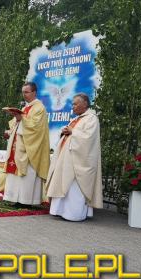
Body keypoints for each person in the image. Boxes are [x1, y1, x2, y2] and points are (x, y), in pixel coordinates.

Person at [46, 93, 103, 221]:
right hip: (67, 159)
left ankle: (74, 214)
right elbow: (69, 135)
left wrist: (73, 131)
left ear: (85, 104)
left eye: (75, 104)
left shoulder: (91, 119)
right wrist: (64, 132)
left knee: (74, 189)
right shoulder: (76, 119)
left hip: (78, 162)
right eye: (72, 104)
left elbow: (89, 138)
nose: (73, 107)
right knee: (63, 184)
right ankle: (60, 211)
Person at [3, 82, 50, 205]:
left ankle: (26, 200)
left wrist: (20, 119)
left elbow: (35, 128)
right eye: (23, 92)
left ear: (34, 92)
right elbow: (16, 124)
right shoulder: (25, 108)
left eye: (27, 92)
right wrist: (9, 131)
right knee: (15, 172)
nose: (24, 95)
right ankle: (14, 198)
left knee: (27, 173)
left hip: (30, 148)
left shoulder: (39, 108)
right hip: (17, 146)